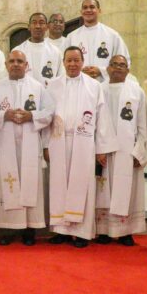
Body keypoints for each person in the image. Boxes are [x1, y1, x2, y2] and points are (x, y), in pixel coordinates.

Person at [46, 46, 117, 247]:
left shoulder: (94, 86)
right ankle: (61, 230)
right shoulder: (53, 85)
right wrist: (45, 144)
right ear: (63, 62)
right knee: (59, 185)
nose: (72, 64)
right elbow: (47, 116)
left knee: (82, 184)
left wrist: (102, 148)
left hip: (84, 141)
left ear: (82, 62)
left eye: (76, 60)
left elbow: (102, 117)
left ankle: (82, 232)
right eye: (69, 60)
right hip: (58, 140)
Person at [0, 50, 54, 245]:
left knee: (29, 182)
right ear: (6, 64)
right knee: (7, 183)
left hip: (31, 143)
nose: (16, 64)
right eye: (12, 61)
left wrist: (31, 116)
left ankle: (30, 230)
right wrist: (3, 116)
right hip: (5, 143)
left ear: (26, 65)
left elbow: (49, 112)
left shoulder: (38, 87)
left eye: (20, 61)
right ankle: (7, 229)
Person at [94, 55, 147, 246]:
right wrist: (97, 149)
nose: (118, 68)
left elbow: (143, 125)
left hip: (127, 151)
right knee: (102, 190)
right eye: (114, 64)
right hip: (104, 151)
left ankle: (125, 231)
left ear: (128, 69)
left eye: (122, 65)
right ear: (107, 68)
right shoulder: (98, 90)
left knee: (127, 189)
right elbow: (93, 121)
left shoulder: (137, 92)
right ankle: (103, 231)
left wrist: (139, 151)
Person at [67, 0, 130, 82]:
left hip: (105, 85)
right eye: (85, 8)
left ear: (99, 10)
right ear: (81, 12)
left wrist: (101, 71)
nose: (88, 10)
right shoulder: (72, 36)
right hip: (78, 83)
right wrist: (79, 71)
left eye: (92, 7)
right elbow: (63, 62)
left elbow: (124, 62)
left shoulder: (112, 35)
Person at [13, 12, 63, 87]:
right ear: (29, 27)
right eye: (34, 23)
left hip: (48, 95)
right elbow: (12, 77)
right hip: (24, 94)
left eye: (41, 23)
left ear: (47, 27)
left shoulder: (56, 52)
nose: (38, 26)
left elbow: (61, 77)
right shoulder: (18, 51)